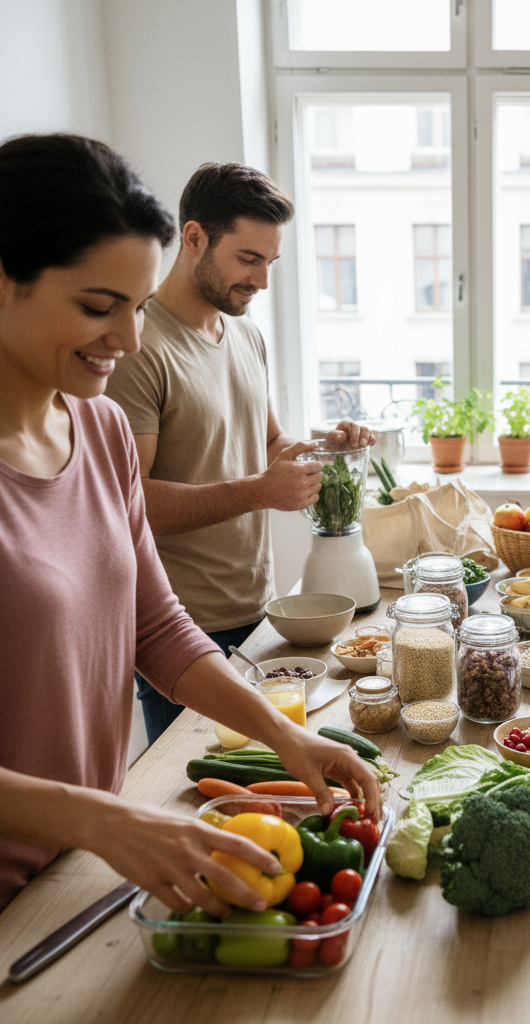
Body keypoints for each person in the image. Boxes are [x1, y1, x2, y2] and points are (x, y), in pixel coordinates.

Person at [0, 133, 380, 916]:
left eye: (137, 309)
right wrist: (104, 819)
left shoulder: (98, 429)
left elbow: (157, 628)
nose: (130, 340)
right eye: (99, 308)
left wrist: (286, 734)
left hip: (79, 866)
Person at [104, 162, 376, 743]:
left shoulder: (245, 333)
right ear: (194, 237)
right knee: (198, 789)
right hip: (179, 631)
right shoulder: (139, 346)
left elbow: (269, 441)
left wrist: (328, 450)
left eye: (269, 263)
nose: (262, 281)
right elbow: (133, 502)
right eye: (248, 260)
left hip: (259, 611)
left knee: (269, 779)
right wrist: (258, 492)